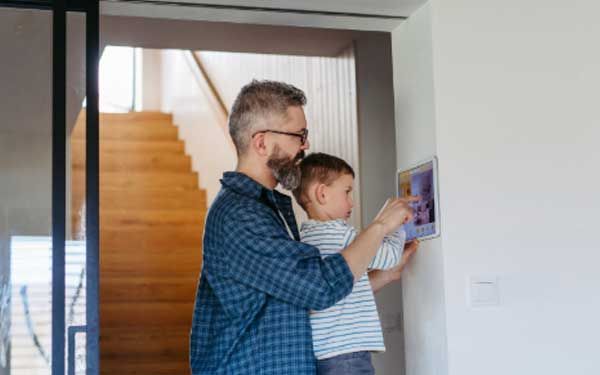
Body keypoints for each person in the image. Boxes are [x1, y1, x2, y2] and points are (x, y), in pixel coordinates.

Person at [189, 80, 416, 374]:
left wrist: (382, 277)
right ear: (261, 143)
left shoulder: (268, 208)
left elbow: (301, 298)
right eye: (299, 135)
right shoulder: (240, 215)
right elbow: (319, 287)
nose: (305, 145)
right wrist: (381, 226)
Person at [292, 152, 420, 375]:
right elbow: (389, 256)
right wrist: (398, 224)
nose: (352, 201)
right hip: (347, 354)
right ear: (322, 193)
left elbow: (347, 287)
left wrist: (388, 273)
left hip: (321, 354)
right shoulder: (342, 235)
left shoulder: (304, 238)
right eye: (347, 192)